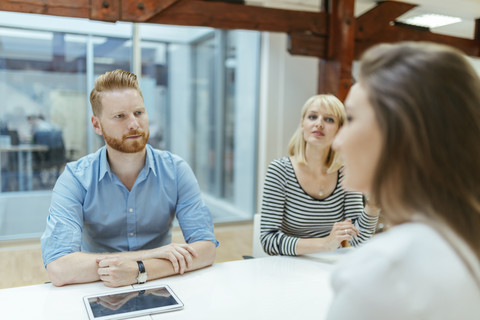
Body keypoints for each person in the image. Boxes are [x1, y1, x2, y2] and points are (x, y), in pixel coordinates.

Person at [327, 42, 480, 319]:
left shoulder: (386, 269)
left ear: (399, 134)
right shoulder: (461, 241)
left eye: (350, 118)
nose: (337, 141)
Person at [41, 69, 218, 288]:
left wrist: (138, 271)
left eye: (139, 113)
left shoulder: (176, 170)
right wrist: (154, 256)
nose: (134, 124)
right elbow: (60, 268)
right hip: (98, 287)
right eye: (120, 116)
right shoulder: (75, 179)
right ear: (97, 125)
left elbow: (206, 249)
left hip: (160, 283)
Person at [260, 94, 379, 256]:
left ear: (339, 130)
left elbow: (358, 240)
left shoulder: (345, 173)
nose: (319, 124)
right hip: (286, 266)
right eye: (312, 117)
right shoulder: (280, 170)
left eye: (329, 120)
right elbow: (268, 239)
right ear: (302, 124)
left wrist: (373, 203)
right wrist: (325, 243)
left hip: (326, 267)